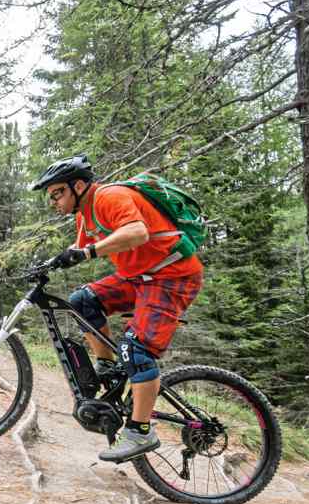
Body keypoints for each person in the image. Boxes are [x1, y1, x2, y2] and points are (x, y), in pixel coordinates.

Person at [32, 155, 204, 462]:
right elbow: (78, 249)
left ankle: (140, 430)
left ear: (79, 185)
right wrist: (50, 263)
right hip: (139, 278)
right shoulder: (85, 214)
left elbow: (137, 232)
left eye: (58, 193)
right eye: (51, 197)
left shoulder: (110, 196)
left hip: (172, 276)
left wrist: (88, 252)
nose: (54, 201)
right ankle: (109, 368)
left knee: (137, 349)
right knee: (83, 302)